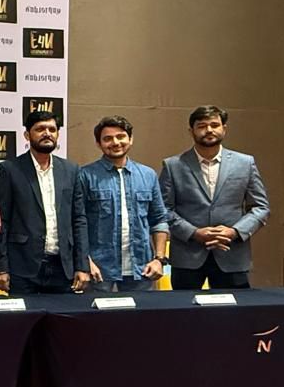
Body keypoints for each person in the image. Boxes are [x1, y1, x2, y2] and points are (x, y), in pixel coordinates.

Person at [160, 105, 270, 290]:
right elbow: (163, 209)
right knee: (184, 308)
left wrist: (234, 232)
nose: (209, 130)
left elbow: (261, 207)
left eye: (214, 125)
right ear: (191, 131)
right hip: (188, 256)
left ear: (224, 129)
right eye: (202, 126)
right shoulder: (173, 165)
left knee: (234, 308)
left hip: (231, 254)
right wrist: (194, 233)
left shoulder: (245, 163)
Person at [0, 110, 90, 294]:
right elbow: (2, 221)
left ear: (58, 134)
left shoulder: (71, 170)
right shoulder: (10, 169)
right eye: (40, 129)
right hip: (23, 267)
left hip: (63, 267)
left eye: (52, 129)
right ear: (27, 135)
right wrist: (2, 267)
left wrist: (82, 266)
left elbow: (79, 219)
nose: (47, 133)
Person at [74, 116, 169, 292]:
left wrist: (159, 259)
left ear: (130, 139)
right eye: (108, 138)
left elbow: (159, 220)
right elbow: (77, 223)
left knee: (141, 311)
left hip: (142, 268)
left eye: (120, 136)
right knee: (95, 311)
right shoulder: (84, 175)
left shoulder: (148, 175)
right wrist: (85, 262)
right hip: (98, 269)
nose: (115, 142)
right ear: (98, 144)